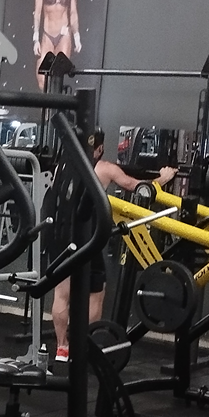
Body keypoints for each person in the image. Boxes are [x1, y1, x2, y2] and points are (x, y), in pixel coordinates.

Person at [50, 130, 178, 363]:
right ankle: (82, 347)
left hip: (61, 237)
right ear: (99, 149)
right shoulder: (105, 168)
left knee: (61, 294)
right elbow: (137, 187)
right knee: (95, 295)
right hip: (87, 239)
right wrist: (163, 178)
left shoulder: (63, 166)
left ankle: (62, 348)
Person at [33, 0, 81, 89]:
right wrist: (35, 38)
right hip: (47, 35)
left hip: (64, 35)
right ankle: (45, 103)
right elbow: (37, 12)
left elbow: (73, 12)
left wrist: (76, 36)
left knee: (58, 77)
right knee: (42, 78)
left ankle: (56, 102)